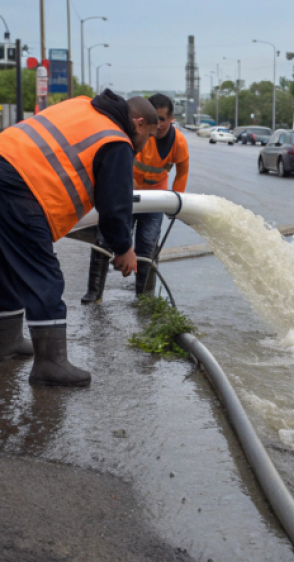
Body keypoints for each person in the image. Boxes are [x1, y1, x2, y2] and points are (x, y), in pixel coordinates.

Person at [0, 90, 158, 386]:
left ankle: (6, 343)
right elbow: (114, 205)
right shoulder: (116, 139)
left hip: (6, 165)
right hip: (22, 188)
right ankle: (50, 363)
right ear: (137, 123)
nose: (145, 144)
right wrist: (124, 248)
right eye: (148, 135)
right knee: (43, 275)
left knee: (7, 266)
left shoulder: (82, 105)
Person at [82, 93, 189, 302]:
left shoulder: (179, 143)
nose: (157, 126)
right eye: (155, 120)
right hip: (127, 193)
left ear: (171, 119)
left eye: (162, 120)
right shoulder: (137, 133)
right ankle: (94, 293)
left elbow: (182, 172)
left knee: (147, 245)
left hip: (155, 198)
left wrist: (176, 202)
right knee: (106, 239)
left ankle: (144, 298)